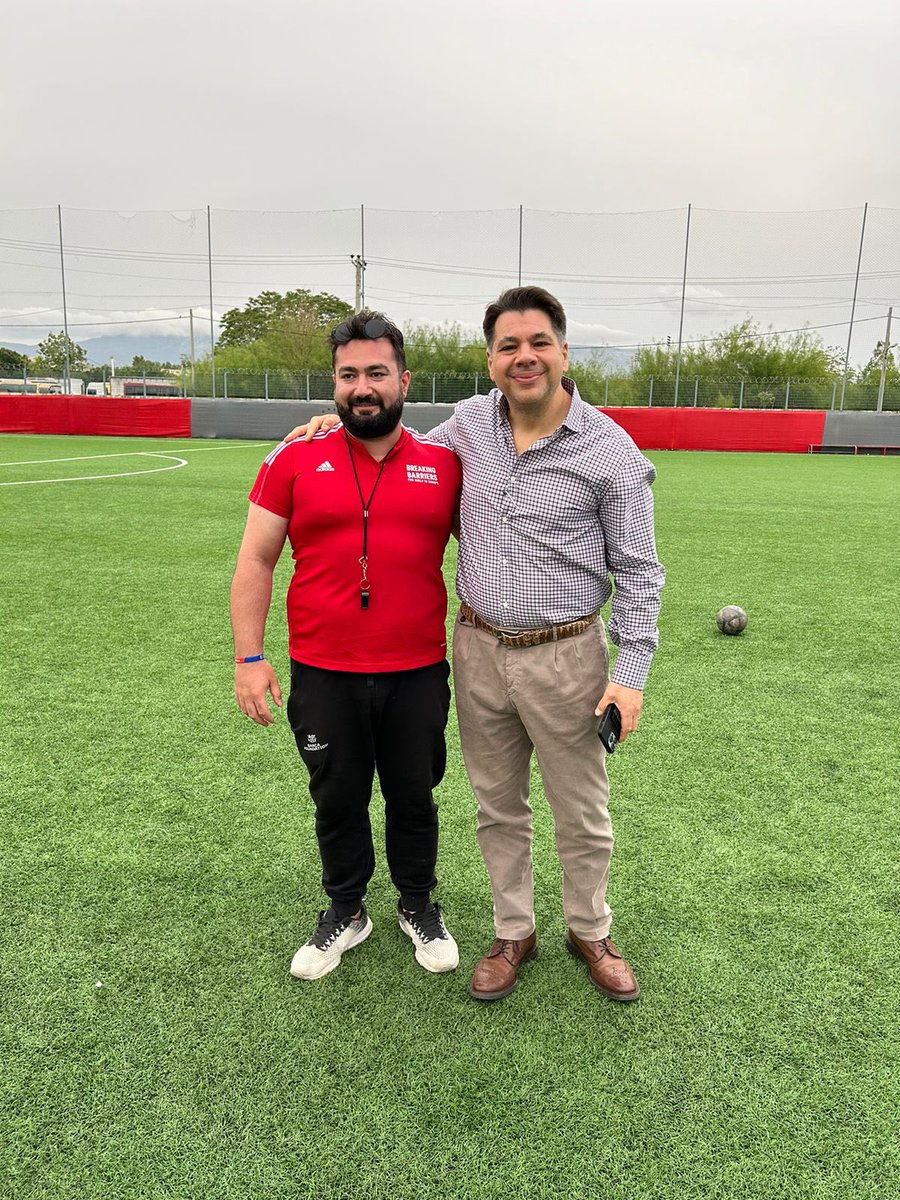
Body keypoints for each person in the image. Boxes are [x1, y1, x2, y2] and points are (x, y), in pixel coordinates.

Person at [285, 287, 664, 1002]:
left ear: (562, 352)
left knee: (580, 810)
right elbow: (393, 443)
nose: (525, 358)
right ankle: (512, 931)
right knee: (498, 806)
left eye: (538, 343)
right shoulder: (465, 428)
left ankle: (590, 930)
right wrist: (327, 428)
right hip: (478, 650)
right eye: (509, 347)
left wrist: (632, 671)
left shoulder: (610, 451)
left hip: (568, 656)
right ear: (491, 360)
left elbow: (641, 572)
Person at [231, 310, 462, 981]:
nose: (364, 387)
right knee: (336, 796)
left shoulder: (444, 463)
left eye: (377, 373)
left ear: (404, 379)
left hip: (417, 669)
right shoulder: (294, 457)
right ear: (333, 382)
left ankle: (417, 903)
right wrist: (250, 656)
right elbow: (255, 560)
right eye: (349, 374)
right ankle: (346, 909)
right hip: (323, 671)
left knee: (414, 794)